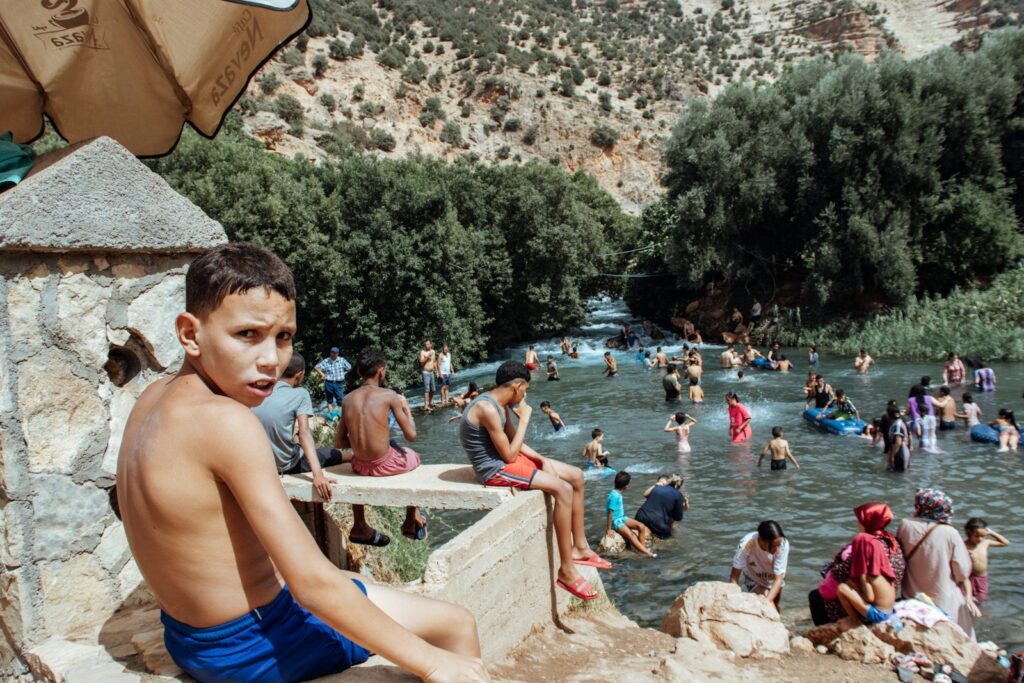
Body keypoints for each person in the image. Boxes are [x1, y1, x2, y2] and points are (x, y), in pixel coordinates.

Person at [117, 243, 488, 682]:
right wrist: (433, 663)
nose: (271, 360)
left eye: (283, 336)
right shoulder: (226, 421)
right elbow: (311, 584)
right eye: (247, 335)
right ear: (190, 333)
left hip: (191, 638)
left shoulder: (149, 399)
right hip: (251, 646)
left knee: (360, 592)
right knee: (455, 626)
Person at [458, 361, 609, 601]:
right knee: (562, 489)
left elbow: (512, 443)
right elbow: (508, 454)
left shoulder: (499, 404)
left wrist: (541, 459)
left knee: (576, 476)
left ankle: (579, 547)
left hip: (510, 460)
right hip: (495, 470)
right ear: (517, 386)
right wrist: (525, 420)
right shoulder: (487, 408)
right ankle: (566, 570)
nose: (525, 395)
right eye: (525, 390)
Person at [336, 347, 427, 546]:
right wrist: (406, 409)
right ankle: (411, 518)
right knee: (414, 455)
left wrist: (364, 443)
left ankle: (359, 523)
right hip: (385, 466)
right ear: (381, 371)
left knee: (392, 445)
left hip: (359, 465)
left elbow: (340, 442)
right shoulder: (389, 395)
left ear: (359, 372)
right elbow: (411, 435)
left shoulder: (347, 399)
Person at [252, 352, 344, 502]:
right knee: (336, 454)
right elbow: (304, 434)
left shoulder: (257, 392)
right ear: (299, 375)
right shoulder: (300, 394)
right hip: (287, 466)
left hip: (260, 467)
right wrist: (318, 475)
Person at [897, 489, 980, 637]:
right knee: (958, 636)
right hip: (943, 598)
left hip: (911, 595)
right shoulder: (950, 532)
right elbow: (962, 572)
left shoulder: (905, 525)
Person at [808, 503, 905, 627]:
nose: (858, 524)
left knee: (816, 596)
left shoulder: (865, 549)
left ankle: (827, 630)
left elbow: (839, 573)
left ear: (867, 521)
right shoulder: (893, 542)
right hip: (887, 599)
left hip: (873, 605)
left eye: (860, 521)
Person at [836, 503, 900, 631]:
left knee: (842, 588)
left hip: (880, 614)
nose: (858, 525)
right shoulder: (889, 543)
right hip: (890, 607)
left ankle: (855, 622)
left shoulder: (869, 573)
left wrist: (863, 581)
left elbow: (870, 597)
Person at [730, 521, 789, 609]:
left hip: (774, 580)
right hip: (754, 579)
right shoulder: (746, 544)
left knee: (775, 607)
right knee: (769, 604)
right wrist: (736, 600)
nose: (777, 549)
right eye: (773, 546)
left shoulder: (783, 544)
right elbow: (734, 577)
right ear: (761, 540)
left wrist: (767, 604)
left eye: (778, 545)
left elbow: (778, 579)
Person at [606, 472, 656, 558]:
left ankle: (642, 548)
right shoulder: (615, 496)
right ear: (626, 486)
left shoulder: (617, 493)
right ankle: (647, 553)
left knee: (641, 526)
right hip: (616, 521)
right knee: (631, 535)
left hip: (622, 518)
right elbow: (610, 512)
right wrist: (609, 529)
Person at [964, 518, 1010, 605]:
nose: (980, 539)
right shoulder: (964, 545)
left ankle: (979, 614)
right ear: (969, 533)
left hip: (982, 577)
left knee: (981, 599)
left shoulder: (986, 543)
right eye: (976, 536)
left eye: (983, 536)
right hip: (968, 578)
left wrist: (991, 533)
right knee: (967, 597)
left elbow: (1005, 543)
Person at [635, 474, 687, 540]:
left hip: (640, 516)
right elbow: (678, 517)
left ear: (669, 481)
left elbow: (645, 495)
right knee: (669, 540)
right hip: (656, 522)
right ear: (680, 486)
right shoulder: (679, 495)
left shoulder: (657, 487)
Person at [315, 346, 351, 414]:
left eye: (335, 353)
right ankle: (331, 417)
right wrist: (322, 374)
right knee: (329, 401)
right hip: (329, 383)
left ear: (338, 353)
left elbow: (349, 367)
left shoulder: (342, 360)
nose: (334, 354)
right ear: (330, 353)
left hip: (339, 383)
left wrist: (344, 374)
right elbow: (316, 367)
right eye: (332, 352)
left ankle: (339, 417)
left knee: (341, 401)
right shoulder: (326, 361)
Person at [886, 406, 911, 472]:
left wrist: (892, 456)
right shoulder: (898, 423)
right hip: (902, 452)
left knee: (897, 473)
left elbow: (898, 442)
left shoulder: (897, 425)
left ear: (889, 415)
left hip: (900, 453)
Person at [418, 340, 437, 413]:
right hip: (425, 372)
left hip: (432, 372)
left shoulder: (433, 351)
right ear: (424, 345)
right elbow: (421, 362)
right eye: (426, 344)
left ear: (431, 345)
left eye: (428, 344)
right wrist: (428, 356)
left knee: (433, 389)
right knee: (427, 390)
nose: (427, 345)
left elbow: (434, 361)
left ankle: (430, 402)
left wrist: (437, 371)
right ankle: (426, 405)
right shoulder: (422, 352)